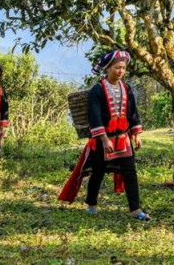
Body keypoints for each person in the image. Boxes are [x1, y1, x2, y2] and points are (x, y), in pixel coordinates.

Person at [58, 50, 149, 220]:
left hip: (123, 139)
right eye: (117, 67)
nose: (120, 71)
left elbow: (132, 112)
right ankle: (92, 205)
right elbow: (95, 116)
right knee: (98, 172)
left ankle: (135, 209)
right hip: (102, 140)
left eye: (123, 68)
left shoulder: (126, 88)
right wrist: (104, 139)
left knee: (130, 172)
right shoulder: (97, 90)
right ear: (107, 68)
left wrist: (136, 134)